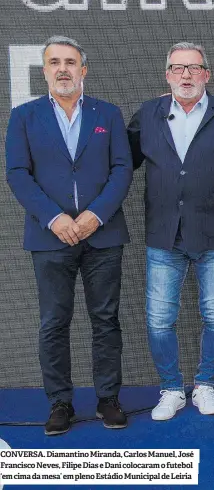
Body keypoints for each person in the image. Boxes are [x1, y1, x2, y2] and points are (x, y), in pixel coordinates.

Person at [5, 36, 132, 435]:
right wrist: (53, 218)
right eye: (55, 62)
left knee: (106, 320)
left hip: (103, 235)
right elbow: (17, 174)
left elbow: (122, 169)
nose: (63, 68)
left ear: (83, 69)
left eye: (71, 62)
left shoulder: (107, 114)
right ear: (44, 70)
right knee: (54, 323)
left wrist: (95, 214)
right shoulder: (24, 116)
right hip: (50, 238)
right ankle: (59, 403)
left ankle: (108, 399)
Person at [127, 42, 214, 421]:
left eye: (194, 68)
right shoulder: (149, 114)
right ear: (167, 75)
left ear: (207, 75)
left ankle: (206, 385)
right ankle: (172, 389)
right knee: (160, 318)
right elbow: (119, 161)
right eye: (178, 69)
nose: (186, 76)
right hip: (164, 235)